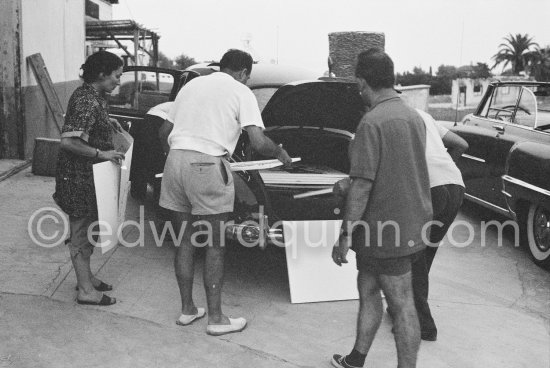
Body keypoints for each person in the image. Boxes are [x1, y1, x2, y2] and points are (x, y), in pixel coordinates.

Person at [158, 49, 292, 336]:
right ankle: (217, 319)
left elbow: (163, 132)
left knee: (184, 240)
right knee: (215, 245)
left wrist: (182, 155)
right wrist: (280, 152)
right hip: (207, 165)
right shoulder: (241, 92)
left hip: (174, 162)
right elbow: (256, 141)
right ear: (244, 73)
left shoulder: (192, 85)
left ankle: (187, 310)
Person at [331, 49, 432, 368]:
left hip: (388, 231)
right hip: (407, 225)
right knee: (369, 287)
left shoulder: (371, 123)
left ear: (362, 82)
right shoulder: (413, 116)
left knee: (402, 305)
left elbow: (361, 186)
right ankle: (356, 359)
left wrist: (344, 234)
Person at [53, 51, 125, 306]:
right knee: (81, 232)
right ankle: (85, 290)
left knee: (88, 229)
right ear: (102, 73)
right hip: (78, 178)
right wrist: (101, 152)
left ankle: (87, 277)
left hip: (89, 178)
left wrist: (107, 122)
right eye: (116, 75)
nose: (118, 81)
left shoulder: (94, 97)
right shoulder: (87, 100)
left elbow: (86, 127)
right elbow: (69, 142)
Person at [408, 109, 467, 341]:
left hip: (431, 187)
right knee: (425, 254)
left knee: (413, 255)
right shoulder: (423, 114)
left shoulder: (393, 117)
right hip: (455, 184)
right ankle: (405, 309)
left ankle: (423, 325)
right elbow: (461, 144)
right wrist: (442, 165)